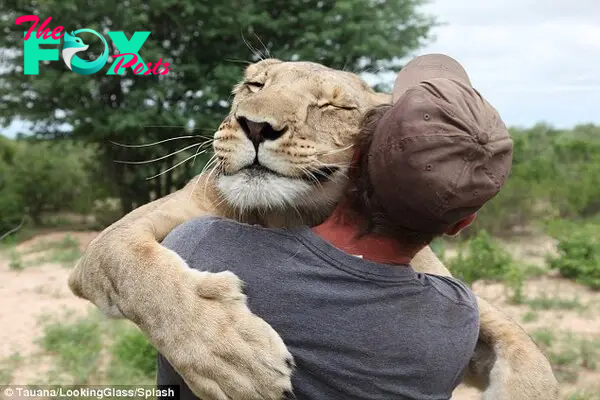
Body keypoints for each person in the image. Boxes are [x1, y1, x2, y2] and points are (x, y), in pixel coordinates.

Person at [156, 54, 513, 399]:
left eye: (335, 107)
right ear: (462, 223)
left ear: (356, 154)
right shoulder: (457, 316)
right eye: (253, 85)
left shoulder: (199, 246)